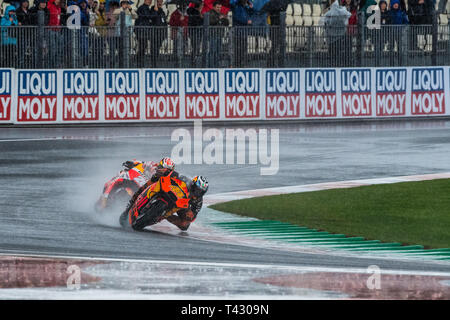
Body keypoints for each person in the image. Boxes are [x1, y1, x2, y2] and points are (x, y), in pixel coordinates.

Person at [230, 0, 253, 67]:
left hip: (244, 32)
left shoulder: (245, 7)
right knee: (238, 51)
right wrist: (246, 21)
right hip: (238, 32)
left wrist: (251, 8)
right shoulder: (236, 6)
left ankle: (242, 65)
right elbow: (237, 17)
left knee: (243, 50)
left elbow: (251, 14)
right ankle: (237, 65)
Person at [207, 1, 229, 67]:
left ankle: (216, 65)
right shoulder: (210, 13)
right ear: (213, 7)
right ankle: (211, 66)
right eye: (217, 7)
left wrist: (223, 19)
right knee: (212, 51)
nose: (219, 9)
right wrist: (219, 19)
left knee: (218, 51)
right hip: (213, 35)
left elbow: (227, 23)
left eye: (220, 7)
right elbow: (211, 21)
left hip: (219, 35)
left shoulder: (221, 14)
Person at [169, 2, 188, 66]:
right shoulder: (175, 13)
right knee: (177, 48)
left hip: (184, 33)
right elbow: (171, 23)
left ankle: (181, 61)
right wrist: (179, 20)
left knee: (183, 47)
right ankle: (177, 62)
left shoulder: (186, 13)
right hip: (177, 33)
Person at [148, 0, 167, 67]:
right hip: (154, 34)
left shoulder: (162, 11)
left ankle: (155, 63)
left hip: (161, 34)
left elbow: (164, 23)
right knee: (153, 49)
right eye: (158, 1)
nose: (160, 3)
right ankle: (153, 64)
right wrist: (155, 10)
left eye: (161, 2)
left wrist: (165, 34)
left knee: (157, 50)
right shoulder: (152, 10)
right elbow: (151, 17)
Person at [135, 0, 152, 67]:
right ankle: (139, 62)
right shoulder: (143, 8)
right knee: (142, 46)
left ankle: (140, 61)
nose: (149, 1)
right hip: (141, 31)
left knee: (143, 46)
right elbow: (148, 16)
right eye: (148, 0)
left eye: (150, 0)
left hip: (143, 31)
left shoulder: (146, 8)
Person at [187, 0, 204, 66]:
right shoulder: (192, 11)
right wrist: (199, 12)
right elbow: (196, 21)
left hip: (198, 32)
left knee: (197, 47)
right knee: (195, 46)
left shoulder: (199, 13)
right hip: (194, 32)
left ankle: (194, 60)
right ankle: (193, 61)